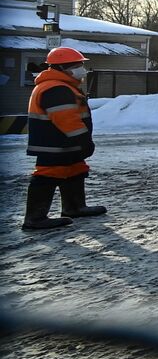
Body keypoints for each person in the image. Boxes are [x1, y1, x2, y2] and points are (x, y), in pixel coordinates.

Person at [23, 47, 106, 231]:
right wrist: (83, 141)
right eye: (78, 65)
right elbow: (67, 120)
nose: (82, 69)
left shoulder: (63, 86)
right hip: (55, 145)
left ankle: (74, 207)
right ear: (62, 67)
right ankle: (35, 218)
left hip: (65, 145)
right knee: (48, 175)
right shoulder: (56, 88)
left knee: (75, 170)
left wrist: (80, 143)